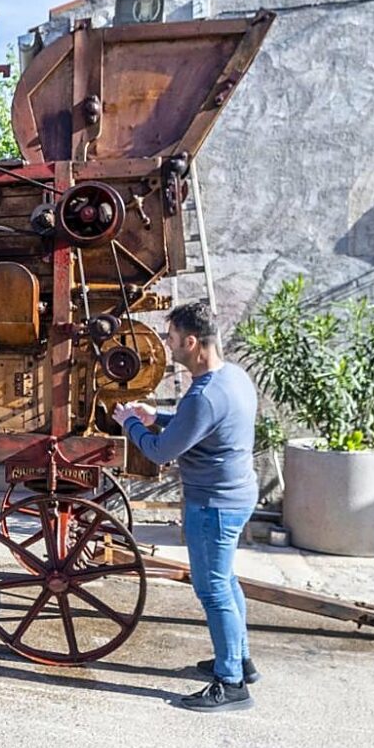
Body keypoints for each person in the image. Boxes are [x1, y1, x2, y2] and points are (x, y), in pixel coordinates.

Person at [112, 302, 260, 712]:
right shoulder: (233, 378)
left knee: (212, 589)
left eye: (171, 337)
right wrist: (156, 414)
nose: (167, 345)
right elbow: (198, 422)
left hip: (213, 505)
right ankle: (239, 660)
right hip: (238, 494)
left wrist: (131, 422)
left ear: (192, 342)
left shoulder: (204, 396)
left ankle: (230, 684)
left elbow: (160, 452)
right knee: (226, 581)